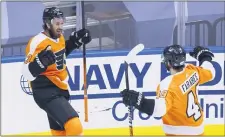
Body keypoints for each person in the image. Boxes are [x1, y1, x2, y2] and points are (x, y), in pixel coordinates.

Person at [21, 7, 91, 136]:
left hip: (61, 89)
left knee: (60, 133)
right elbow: (26, 73)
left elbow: (61, 54)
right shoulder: (37, 42)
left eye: (61, 23)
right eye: (56, 23)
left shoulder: (59, 37)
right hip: (45, 90)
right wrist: (39, 63)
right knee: (74, 126)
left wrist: (75, 42)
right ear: (48, 24)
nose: (60, 27)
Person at [120, 45, 215, 136]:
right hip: (199, 132)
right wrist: (205, 57)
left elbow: (159, 110)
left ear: (168, 63)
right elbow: (211, 72)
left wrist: (140, 101)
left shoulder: (167, 84)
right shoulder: (191, 71)